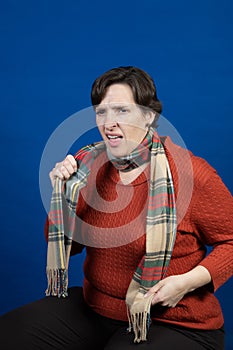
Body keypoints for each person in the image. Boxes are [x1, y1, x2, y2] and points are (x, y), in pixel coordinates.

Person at [1, 66, 233, 350]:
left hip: (175, 322)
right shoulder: (90, 168)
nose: (109, 122)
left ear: (149, 116)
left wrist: (186, 283)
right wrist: (61, 194)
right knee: (10, 333)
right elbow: (69, 246)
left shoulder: (190, 174)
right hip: (96, 310)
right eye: (101, 112)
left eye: (122, 111)